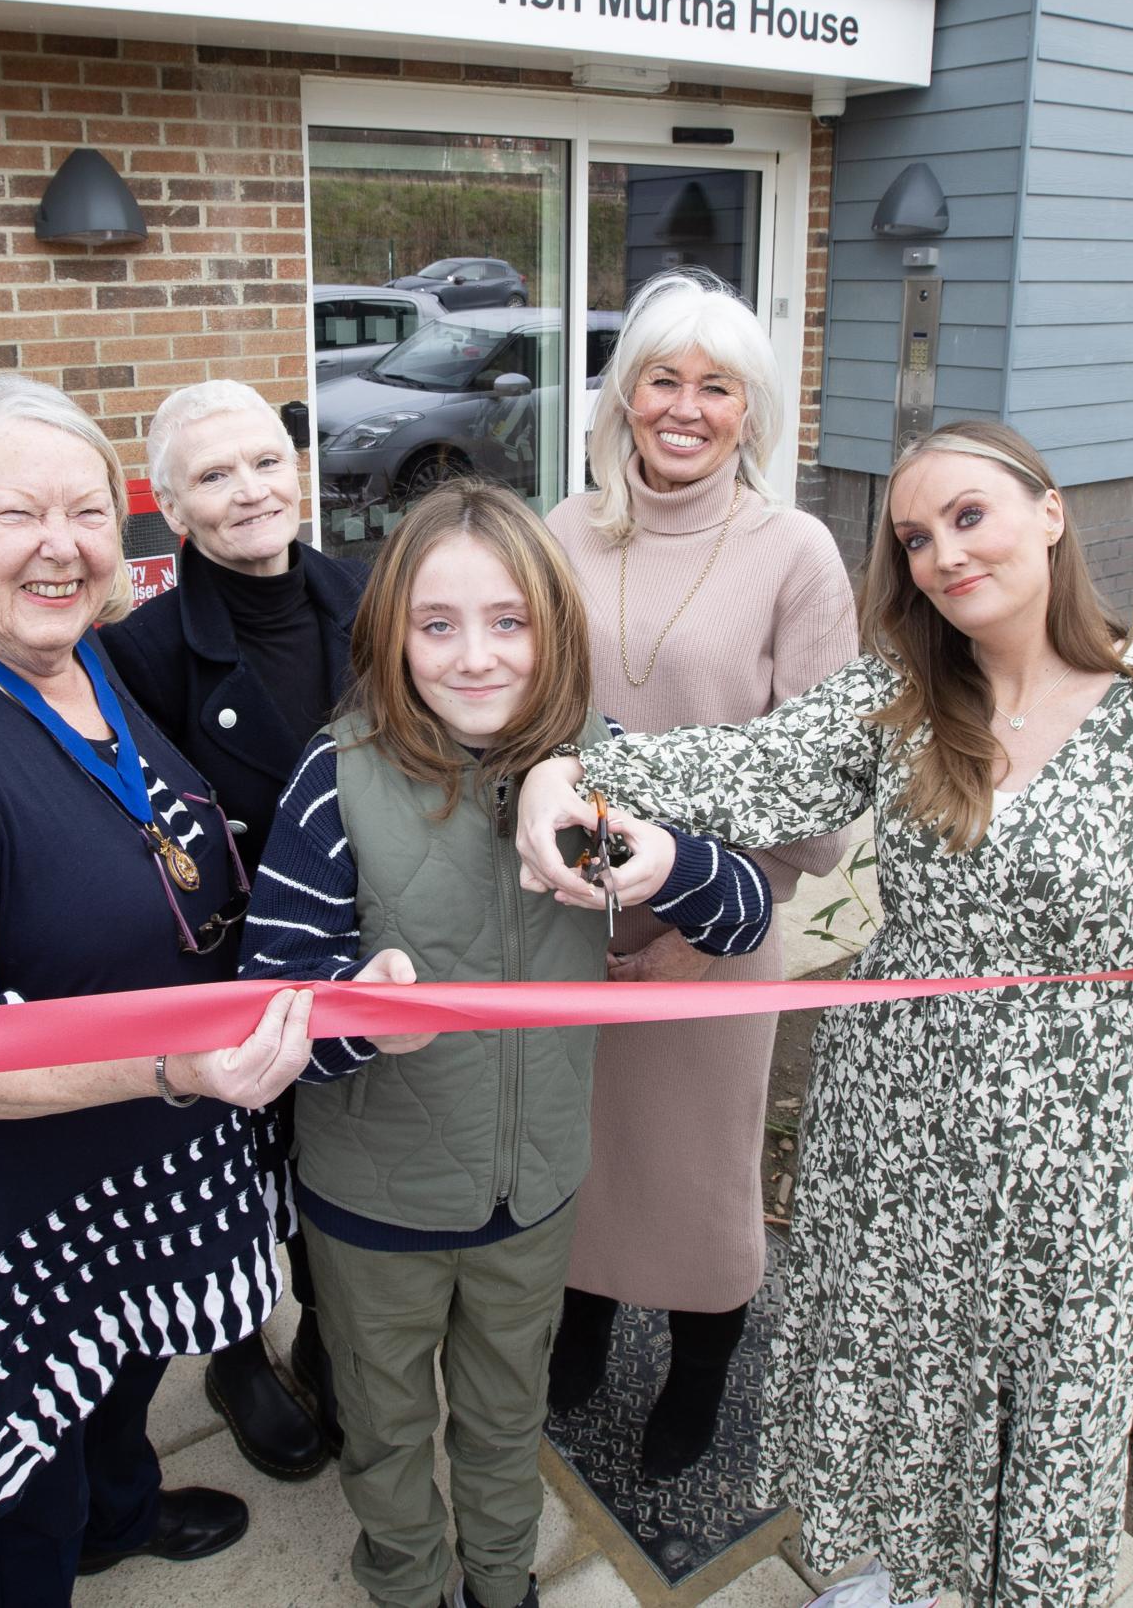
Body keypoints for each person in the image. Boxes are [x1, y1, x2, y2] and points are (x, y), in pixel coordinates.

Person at [513, 421, 1133, 1605]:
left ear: (1048, 511)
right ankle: (879, 1578)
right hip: (891, 1117)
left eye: (968, 515)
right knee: (883, 1381)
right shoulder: (900, 699)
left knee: (1049, 1413)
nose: (940, 553)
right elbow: (732, 766)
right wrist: (563, 767)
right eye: (914, 536)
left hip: (1075, 1156)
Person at [0, 375, 319, 1608]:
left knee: (122, 1373)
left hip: (134, 1151)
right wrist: (176, 1067)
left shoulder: (79, 657)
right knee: (21, 1476)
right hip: (12, 1197)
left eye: (88, 511)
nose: (61, 543)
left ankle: (117, 1514)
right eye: (16, 511)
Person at [239, 481, 775, 1608]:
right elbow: (269, 1012)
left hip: (529, 1194)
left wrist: (664, 864)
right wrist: (351, 1015)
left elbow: (740, 915)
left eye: (507, 622)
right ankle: (406, 1581)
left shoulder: (600, 760)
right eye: (437, 625)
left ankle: (499, 1578)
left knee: (503, 1412)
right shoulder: (334, 778)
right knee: (385, 1428)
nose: (475, 656)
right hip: (373, 1201)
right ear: (391, 634)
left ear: (552, 627)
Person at [538, 269, 860, 1476]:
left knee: (693, 1165)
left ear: (747, 410)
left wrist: (719, 924)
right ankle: (580, 1325)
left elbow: (826, 767)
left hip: (721, 921)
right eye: (660, 379)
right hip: (568, 916)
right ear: (622, 398)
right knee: (580, 1145)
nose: (684, 406)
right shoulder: (562, 531)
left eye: (714, 386)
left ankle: (704, 1363)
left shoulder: (794, 550)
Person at [102, 378, 367, 1479]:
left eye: (264, 460)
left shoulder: (369, 597)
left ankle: (325, 1325)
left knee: (335, 1164)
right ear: (170, 508)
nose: (249, 489)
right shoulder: (143, 648)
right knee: (225, 1174)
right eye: (213, 474)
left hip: (358, 955)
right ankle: (230, 1349)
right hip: (222, 965)